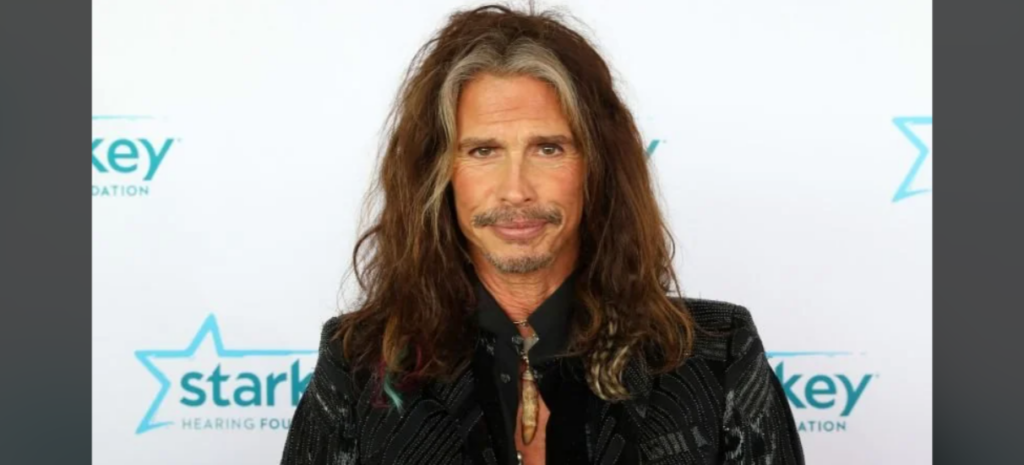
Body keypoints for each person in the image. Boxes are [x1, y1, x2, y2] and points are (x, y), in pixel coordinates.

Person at [280, 4, 804, 465]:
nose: (516, 190)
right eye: (483, 151)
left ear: (595, 167)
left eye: (548, 148)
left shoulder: (714, 353)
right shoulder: (361, 360)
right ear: (440, 174)